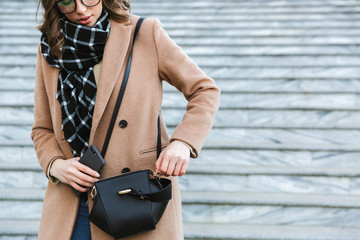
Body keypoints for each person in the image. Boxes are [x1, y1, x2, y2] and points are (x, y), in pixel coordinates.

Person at [31, 0, 220, 239]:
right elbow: (42, 128)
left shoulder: (143, 33)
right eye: (68, 1)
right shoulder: (51, 47)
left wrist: (183, 142)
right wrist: (56, 165)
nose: (80, 8)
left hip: (134, 200)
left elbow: (204, 90)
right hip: (72, 205)